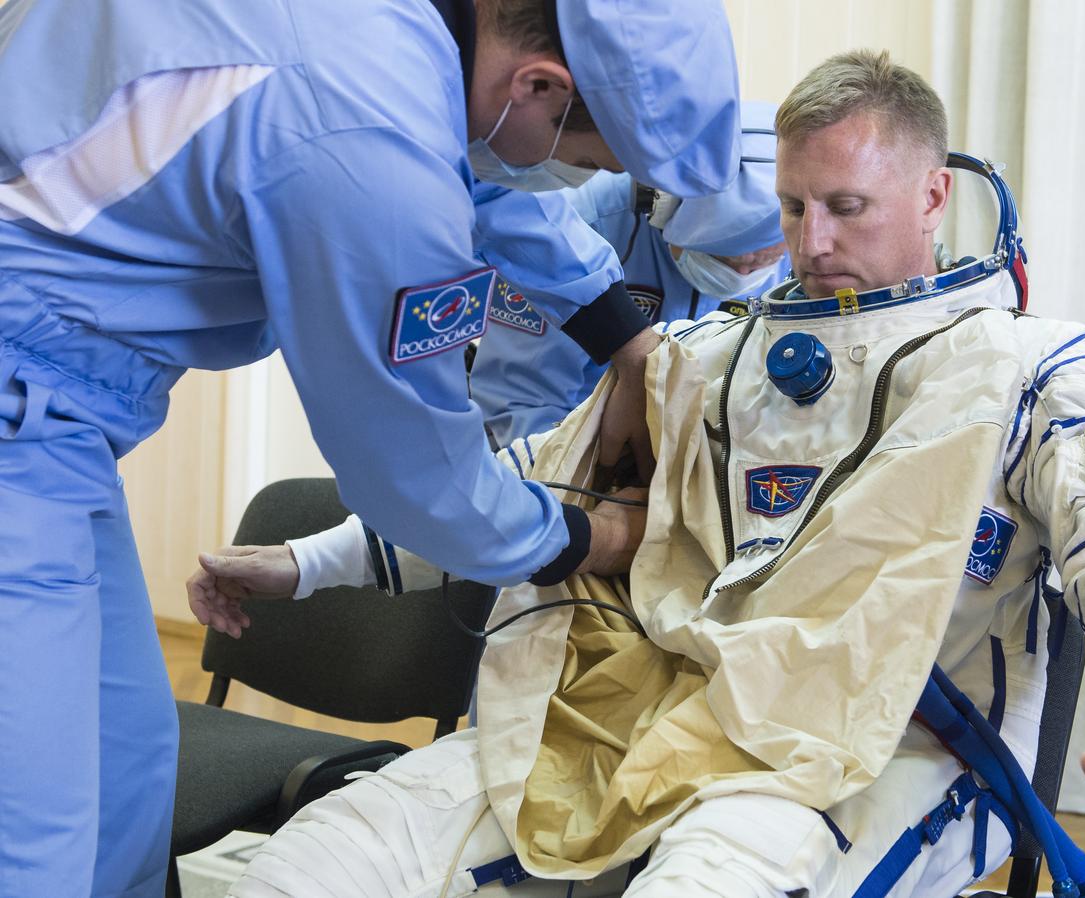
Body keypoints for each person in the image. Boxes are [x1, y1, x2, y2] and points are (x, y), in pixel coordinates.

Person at [203, 50, 1085, 898]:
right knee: (324, 855)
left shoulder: (1034, 370)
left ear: (932, 195)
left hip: (879, 753)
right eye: (792, 209)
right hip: (657, 712)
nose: (811, 243)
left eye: (844, 206)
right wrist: (301, 565)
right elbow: (520, 486)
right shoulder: (703, 357)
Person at [0, 0, 744, 893]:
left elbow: (484, 192)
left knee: (125, 762)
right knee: (34, 834)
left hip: (58, 429)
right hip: (25, 419)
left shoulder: (386, 41)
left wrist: (629, 343)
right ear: (540, 85)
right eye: (578, 156)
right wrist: (602, 539)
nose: (564, 177)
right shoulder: (363, 129)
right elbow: (419, 475)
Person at [471, 101, 791, 446]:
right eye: (720, 259)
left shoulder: (804, 249)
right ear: (663, 205)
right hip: (571, 437)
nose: (742, 272)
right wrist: (576, 481)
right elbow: (521, 402)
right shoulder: (574, 227)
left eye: (761, 264)